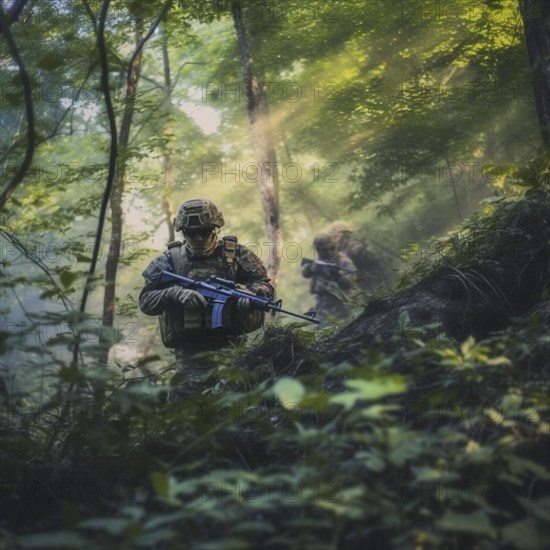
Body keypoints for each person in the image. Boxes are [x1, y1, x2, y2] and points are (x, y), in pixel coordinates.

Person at [139, 198, 274, 399]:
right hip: (190, 353)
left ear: (215, 228)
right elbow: (146, 302)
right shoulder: (170, 261)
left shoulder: (236, 254)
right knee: (188, 405)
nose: (199, 238)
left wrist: (251, 293)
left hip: (232, 346)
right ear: (183, 232)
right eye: (192, 233)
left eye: (205, 231)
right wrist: (174, 293)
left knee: (235, 401)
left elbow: (264, 284)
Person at [301, 233, 355, 322]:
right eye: (319, 250)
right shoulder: (319, 260)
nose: (321, 252)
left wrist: (337, 276)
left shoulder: (341, 260)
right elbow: (305, 273)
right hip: (322, 301)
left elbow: (350, 283)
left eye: (323, 250)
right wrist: (311, 268)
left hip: (340, 301)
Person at [327, 221, 387, 291]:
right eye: (332, 233)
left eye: (337, 233)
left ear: (345, 233)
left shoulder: (353, 244)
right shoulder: (341, 248)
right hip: (363, 283)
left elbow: (365, 260)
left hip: (373, 281)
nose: (333, 235)